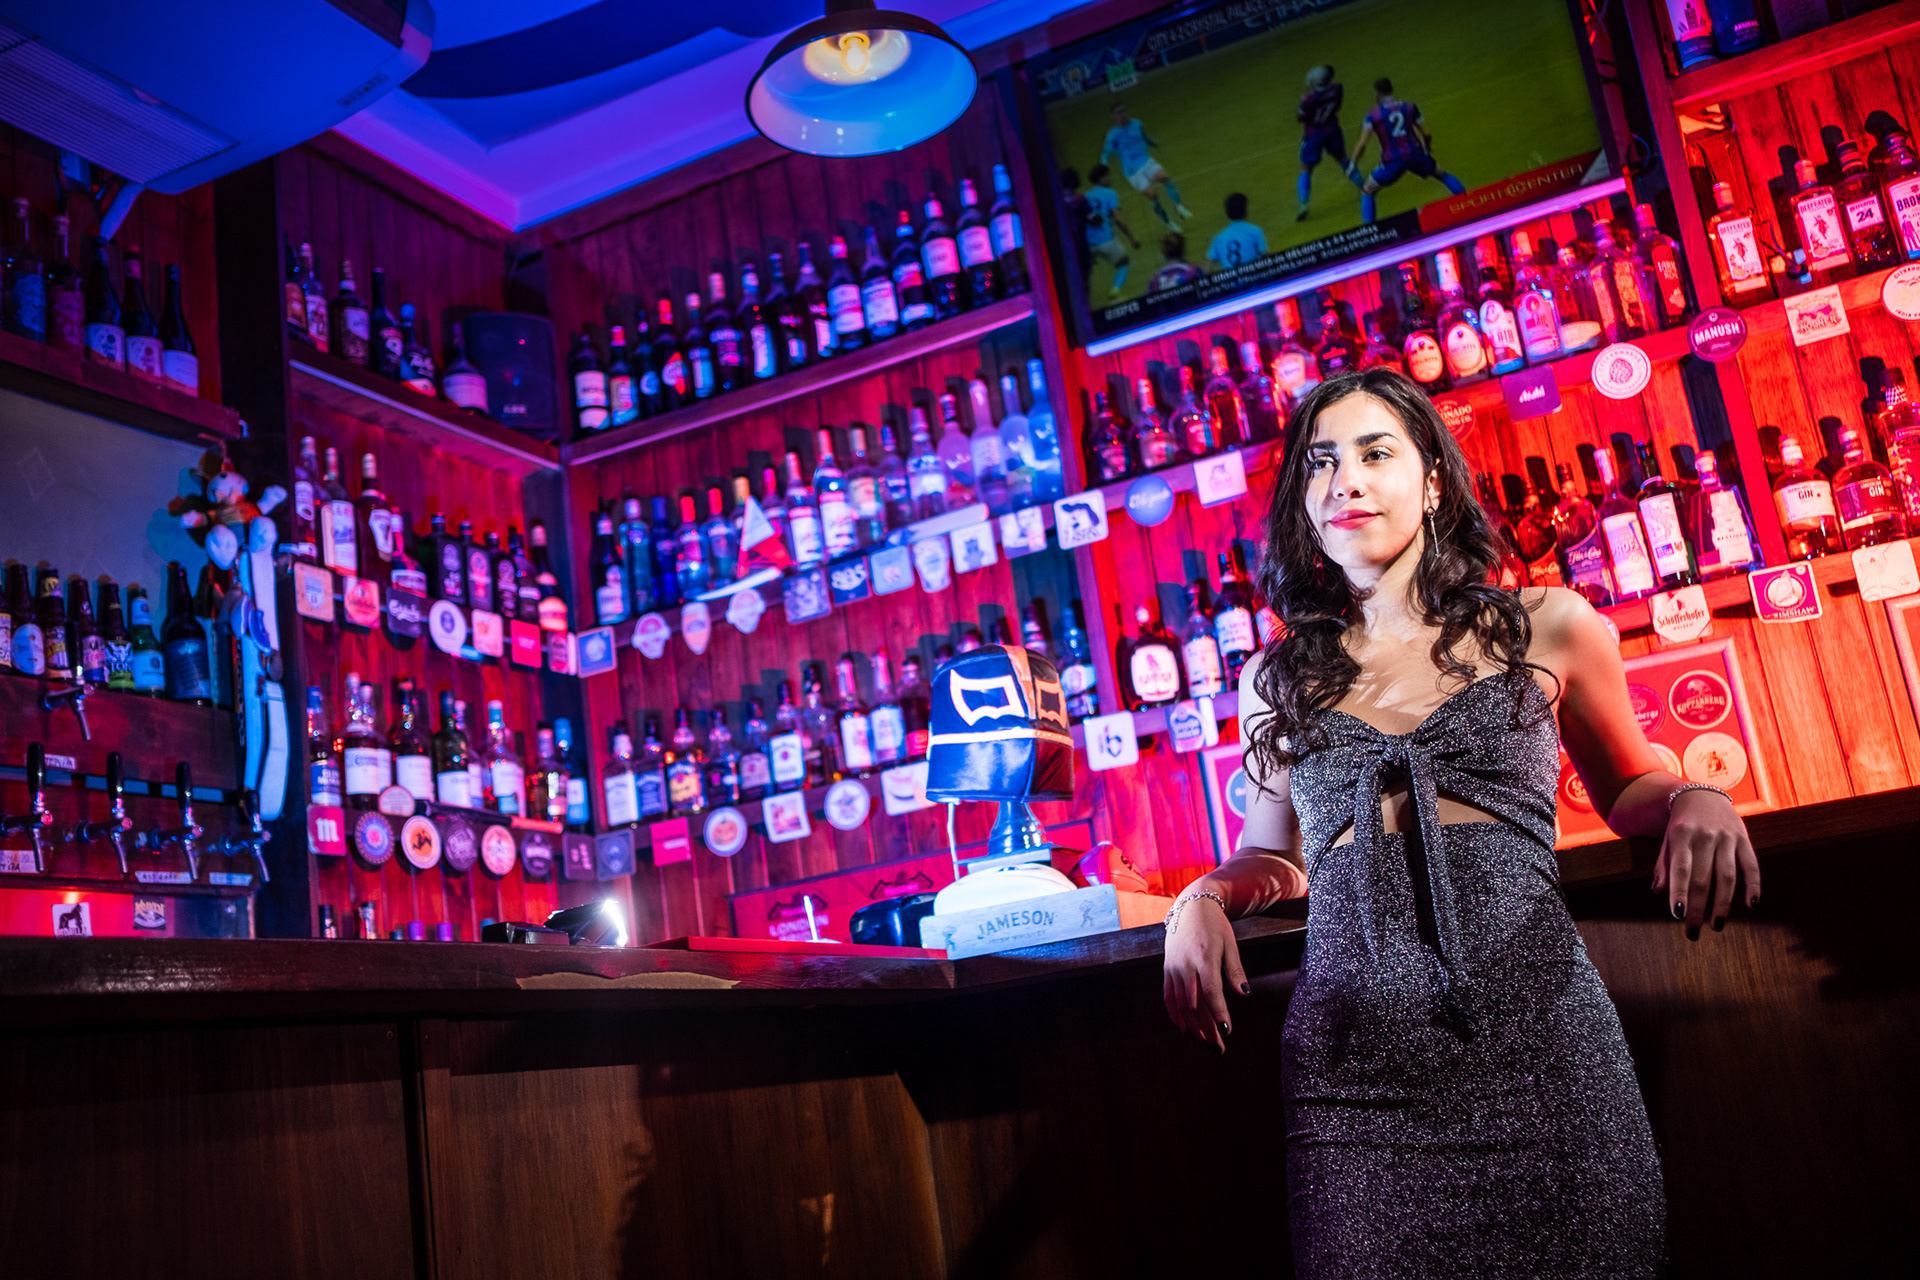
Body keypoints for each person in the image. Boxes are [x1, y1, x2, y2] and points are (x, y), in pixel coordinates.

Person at [1162, 368, 1759, 1277]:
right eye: (1320, 463)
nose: (1345, 481)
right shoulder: (1278, 679)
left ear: (1434, 480)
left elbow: (1627, 783)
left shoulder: (1546, 625)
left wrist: (1694, 797)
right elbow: (1273, 855)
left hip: (1545, 1051)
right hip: (1354, 1087)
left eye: (1375, 453)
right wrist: (1202, 897)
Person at [1350, 77, 1467, 224]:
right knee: (1443, 175)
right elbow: (1426, 134)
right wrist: (1427, 149)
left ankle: (1370, 229)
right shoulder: (1410, 107)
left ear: (1378, 94)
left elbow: (1362, 144)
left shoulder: (1373, 116)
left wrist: (1353, 163)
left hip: (1392, 161)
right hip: (1415, 154)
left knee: (1367, 190)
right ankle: (1468, 203)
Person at [1101, 101, 1192, 229]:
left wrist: (1152, 143)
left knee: (1165, 177)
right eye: (1118, 112)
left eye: (1123, 111)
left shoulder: (1137, 123)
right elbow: (1105, 153)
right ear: (1114, 116)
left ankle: (1180, 207)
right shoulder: (1113, 135)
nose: (1122, 114)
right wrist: (1104, 166)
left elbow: (1144, 137)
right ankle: (1168, 223)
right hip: (1132, 171)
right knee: (1153, 195)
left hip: (1145, 160)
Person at [1296, 64, 1363, 221]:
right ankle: (1363, 186)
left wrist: (1303, 102)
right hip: (1332, 129)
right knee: (1342, 158)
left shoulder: (1309, 100)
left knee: (1305, 168)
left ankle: (1304, 204)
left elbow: (1300, 118)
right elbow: (1337, 106)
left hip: (1313, 134)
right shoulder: (1338, 88)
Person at [1083, 165, 1141, 301]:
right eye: (1107, 176)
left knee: (1085, 272)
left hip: (1088, 243)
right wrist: (1131, 239)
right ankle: (1115, 289)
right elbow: (1118, 220)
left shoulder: (1085, 196)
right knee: (1123, 262)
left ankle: (1084, 296)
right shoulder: (1110, 193)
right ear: (1102, 178)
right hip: (1106, 240)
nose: (1109, 179)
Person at [1206, 193, 1268, 269]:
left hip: (1230, 276)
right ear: (1245, 210)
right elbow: (1265, 258)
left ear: (1227, 213)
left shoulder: (1218, 239)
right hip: (1254, 275)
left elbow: (1208, 265)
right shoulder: (1255, 231)